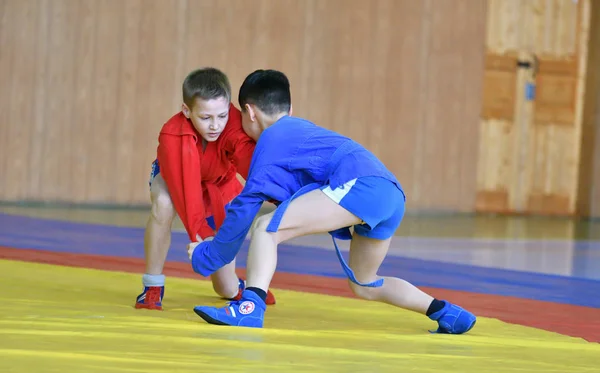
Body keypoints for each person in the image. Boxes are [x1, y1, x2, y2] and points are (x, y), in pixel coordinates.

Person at [187, 69, 476, 334]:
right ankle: (446, 313)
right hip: (390, 193)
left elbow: (245, 207)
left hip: (361, 185)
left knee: (265, 228)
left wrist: (208, 255)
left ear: (248, 112)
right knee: (364, 282)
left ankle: (249, 309)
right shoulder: (301, 129)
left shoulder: (272, 139)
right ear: (290, 107)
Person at [135, 67, 275, 310]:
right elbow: (186, 190)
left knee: (226, 287)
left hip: (220, 183)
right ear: (186, 111)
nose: (215, 126)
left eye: (221, 116)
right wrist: (201, 239)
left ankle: (235, 286)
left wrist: (278, 192)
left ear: (228, 107)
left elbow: (249, 162)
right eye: (205, 118)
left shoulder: (233, 122)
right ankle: (152, 285)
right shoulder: (173, 135)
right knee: (163, 204)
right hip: (174, 178)